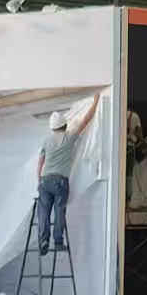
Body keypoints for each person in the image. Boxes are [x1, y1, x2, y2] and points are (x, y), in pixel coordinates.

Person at [37, 97, 98, 255]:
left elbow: (40, 162)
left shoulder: (46, 140)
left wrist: (39, 181)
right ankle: (58, 241)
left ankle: (43, 241)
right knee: (59, 210)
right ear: (64, 125)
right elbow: (86, 120)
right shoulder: (68, 137)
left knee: (43, 212)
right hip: (59, 181)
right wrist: (96, 102)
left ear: (52, 127)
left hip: (44, 180)